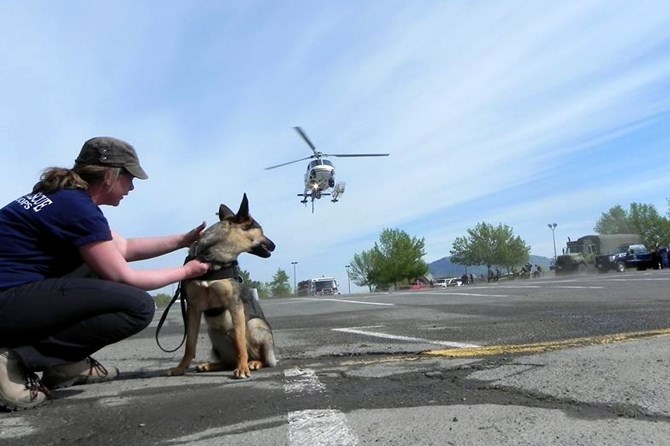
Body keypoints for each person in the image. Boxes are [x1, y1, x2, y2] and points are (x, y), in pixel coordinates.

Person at [0, 136, 210, 411]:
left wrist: (183, 240)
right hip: (7, 300)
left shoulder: (63, 199)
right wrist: (187, 271)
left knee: (95, 266)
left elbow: (122, 247)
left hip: (12, 297)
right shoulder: (78, 209)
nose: (132, 187)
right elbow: (125, 277)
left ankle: (65, 365)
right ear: (110, 175)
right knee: (137, 306)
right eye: (130, 177)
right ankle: (13, 361)